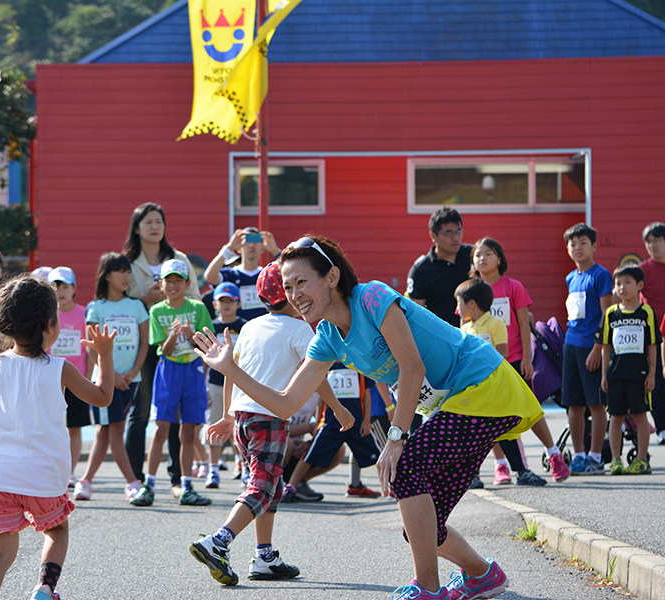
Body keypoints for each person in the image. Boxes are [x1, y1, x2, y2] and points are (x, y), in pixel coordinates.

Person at [193, 234, 543, 600]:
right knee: (422, 528)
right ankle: (482, 576)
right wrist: (230, 369)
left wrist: (395, 439)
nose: (294, 295)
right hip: (453, 404)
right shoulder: (327, 336)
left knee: (405, 468)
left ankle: (427, 588)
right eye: (287, 286)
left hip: (482, 385)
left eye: (301, 282)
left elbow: (412, 367)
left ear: (331, 277)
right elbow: (285, 404)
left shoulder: (372, 298)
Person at [189, 262, 354, 586]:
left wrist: (227, 414)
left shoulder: (251, 326)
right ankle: (218, 541)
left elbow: (233, 372)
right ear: (290, 296)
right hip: (268, 418)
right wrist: (337, 408)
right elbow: (316, 374)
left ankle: (264, 556)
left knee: (269, 486)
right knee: (263, 487)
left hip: (243, 419)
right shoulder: (298, 329)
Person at [0, 275, 116, 600]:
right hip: (44, 477)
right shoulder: (60, 368)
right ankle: (44, 588)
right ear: (50, 324)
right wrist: (104, 355)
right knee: (56, 531)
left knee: (0, 554)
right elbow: (102, 397)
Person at [471, 238, 570, 484]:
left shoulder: (513, 287)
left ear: (500, 259)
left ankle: (553, 453)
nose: (482, 259)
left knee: (530, 409)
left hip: (514, 358)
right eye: (477, 255)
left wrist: (527, 358)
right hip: (485, 366)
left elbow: (525, 326)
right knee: (492, 416)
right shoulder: (469, 290)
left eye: (488, 254)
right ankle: (501, 465)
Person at [122, 202, 200, 497]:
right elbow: (122, 303)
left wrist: (172, 302)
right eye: (148, 222)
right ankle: (136, 481)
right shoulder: (127, 261)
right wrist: (145, 298)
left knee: (177, 415)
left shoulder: (178, 258)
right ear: (137, 228)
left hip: (180, 348)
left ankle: (178, 481)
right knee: (141, 413)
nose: (155, 227)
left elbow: (195, 296)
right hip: (144, 344)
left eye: (159, 222)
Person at [130, 258, 213, 507]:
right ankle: (149, 485)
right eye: (169, 281)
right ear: (161, 284)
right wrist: (174, 334)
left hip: (194, 370)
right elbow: (163, 351)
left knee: (189, 431)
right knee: (161, 429)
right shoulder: (157, 311)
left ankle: (187, 486)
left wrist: (192, 336)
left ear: (188, 283)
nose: (174, 285)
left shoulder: (198, 308)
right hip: (168, 371)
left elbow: (208, 345)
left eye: (179, 280)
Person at [455, 277, 548, 487]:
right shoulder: (466, 329)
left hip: (494, 387)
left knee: (504, 432)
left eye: (459, 303)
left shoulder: (495, 324)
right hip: (474, 390)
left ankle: (521, 471)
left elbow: (503, 352)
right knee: (473, 436)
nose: (457, 309)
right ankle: (472, 476)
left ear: (472, 303)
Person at [73, 253, 146, 503]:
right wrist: (112, 376)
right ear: (106, 275)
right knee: (114, 429)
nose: (127, 276)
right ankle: (133, 483)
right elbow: (92, 347)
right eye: (121, 271)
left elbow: (144, 342)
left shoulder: (136, 305)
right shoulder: (97, 307)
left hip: (130, 380)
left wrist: (133, 372)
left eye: (128, 271)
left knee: (106, 432)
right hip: (105, 382)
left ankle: (85, 482)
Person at [284, 361, 383, 501]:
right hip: (330, 424)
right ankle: (291, 487)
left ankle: (395, 486)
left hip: (356, 422)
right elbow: (321, 397)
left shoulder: (358, 364)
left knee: (381, 455)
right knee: (309, 455)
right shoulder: (326, 365)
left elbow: (367, 393)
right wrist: (318, 423)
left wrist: (367, 421)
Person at [598, 263, 660, 475]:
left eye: (627, 282)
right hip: (616, 375)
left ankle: (642, 459)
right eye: (618, 284)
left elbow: (652, 344)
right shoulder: (610, 314)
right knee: (615, 417)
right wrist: (604, 374)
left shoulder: (646, 313)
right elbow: (606, 345)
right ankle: (616, 460)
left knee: (640, 416)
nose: (622, 287)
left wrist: (652, 373)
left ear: (639, 285)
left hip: (639, 375)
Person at [561, 223, 613, 475]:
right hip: (570, 344)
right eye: (573, 243)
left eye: (583, 243)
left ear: (593, 246)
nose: (577, 248)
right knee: (574, 405)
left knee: (595, 404)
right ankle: (579, 454)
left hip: (590, 347)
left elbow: (606, 316)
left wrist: (597, 348)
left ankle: (595, 456)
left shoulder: (601, 275)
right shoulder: (571, 277)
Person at [46, 267, 90, 488]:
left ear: (74, 289)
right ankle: (53, 469)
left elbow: (89, 350)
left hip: (77, 380)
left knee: (74, 428)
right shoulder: (46, 316)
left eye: (65, 286)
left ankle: (70, 472)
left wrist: (89, 378)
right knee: (51, 427)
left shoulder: (84, 313)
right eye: (55, 287)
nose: (60, 291)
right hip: (51, 380)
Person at [203, 282, 247, 488]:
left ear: (238, 303)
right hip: (216, 384)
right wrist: (204, 386)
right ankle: (213, 470)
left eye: (231, 301)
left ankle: (244, 466)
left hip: (240, 384)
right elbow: (204, 359)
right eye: (222, 301)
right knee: (216, 424)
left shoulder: (246, 327)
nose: (227, 305)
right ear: (215, 304)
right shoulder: (211, 327)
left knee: (239, 427)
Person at [406, 207, 473, 327]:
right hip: (440, 339)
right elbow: (416, 316)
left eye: (458, 231)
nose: (456, 238)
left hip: (476, 337)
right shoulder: (420, 270)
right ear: (433, 236)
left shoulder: (474, 256)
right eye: (449, 233)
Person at [204, 227, 281, 321]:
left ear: (262, 248)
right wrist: (229, 248)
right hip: (238, 331)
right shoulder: (230, 274)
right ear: (239, 248)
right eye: (247, 241)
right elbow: (209, 276)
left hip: (263, 329)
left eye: (256, 241)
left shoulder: (268, 274)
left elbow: (290, 272)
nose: (252, 245)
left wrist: (275, 250)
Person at [640, 222, 665, 444]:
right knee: (656, 381)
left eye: (656, 240)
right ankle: (662, 427)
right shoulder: (642, 270)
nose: (652, 246)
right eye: (648, 242)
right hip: (653, 338)